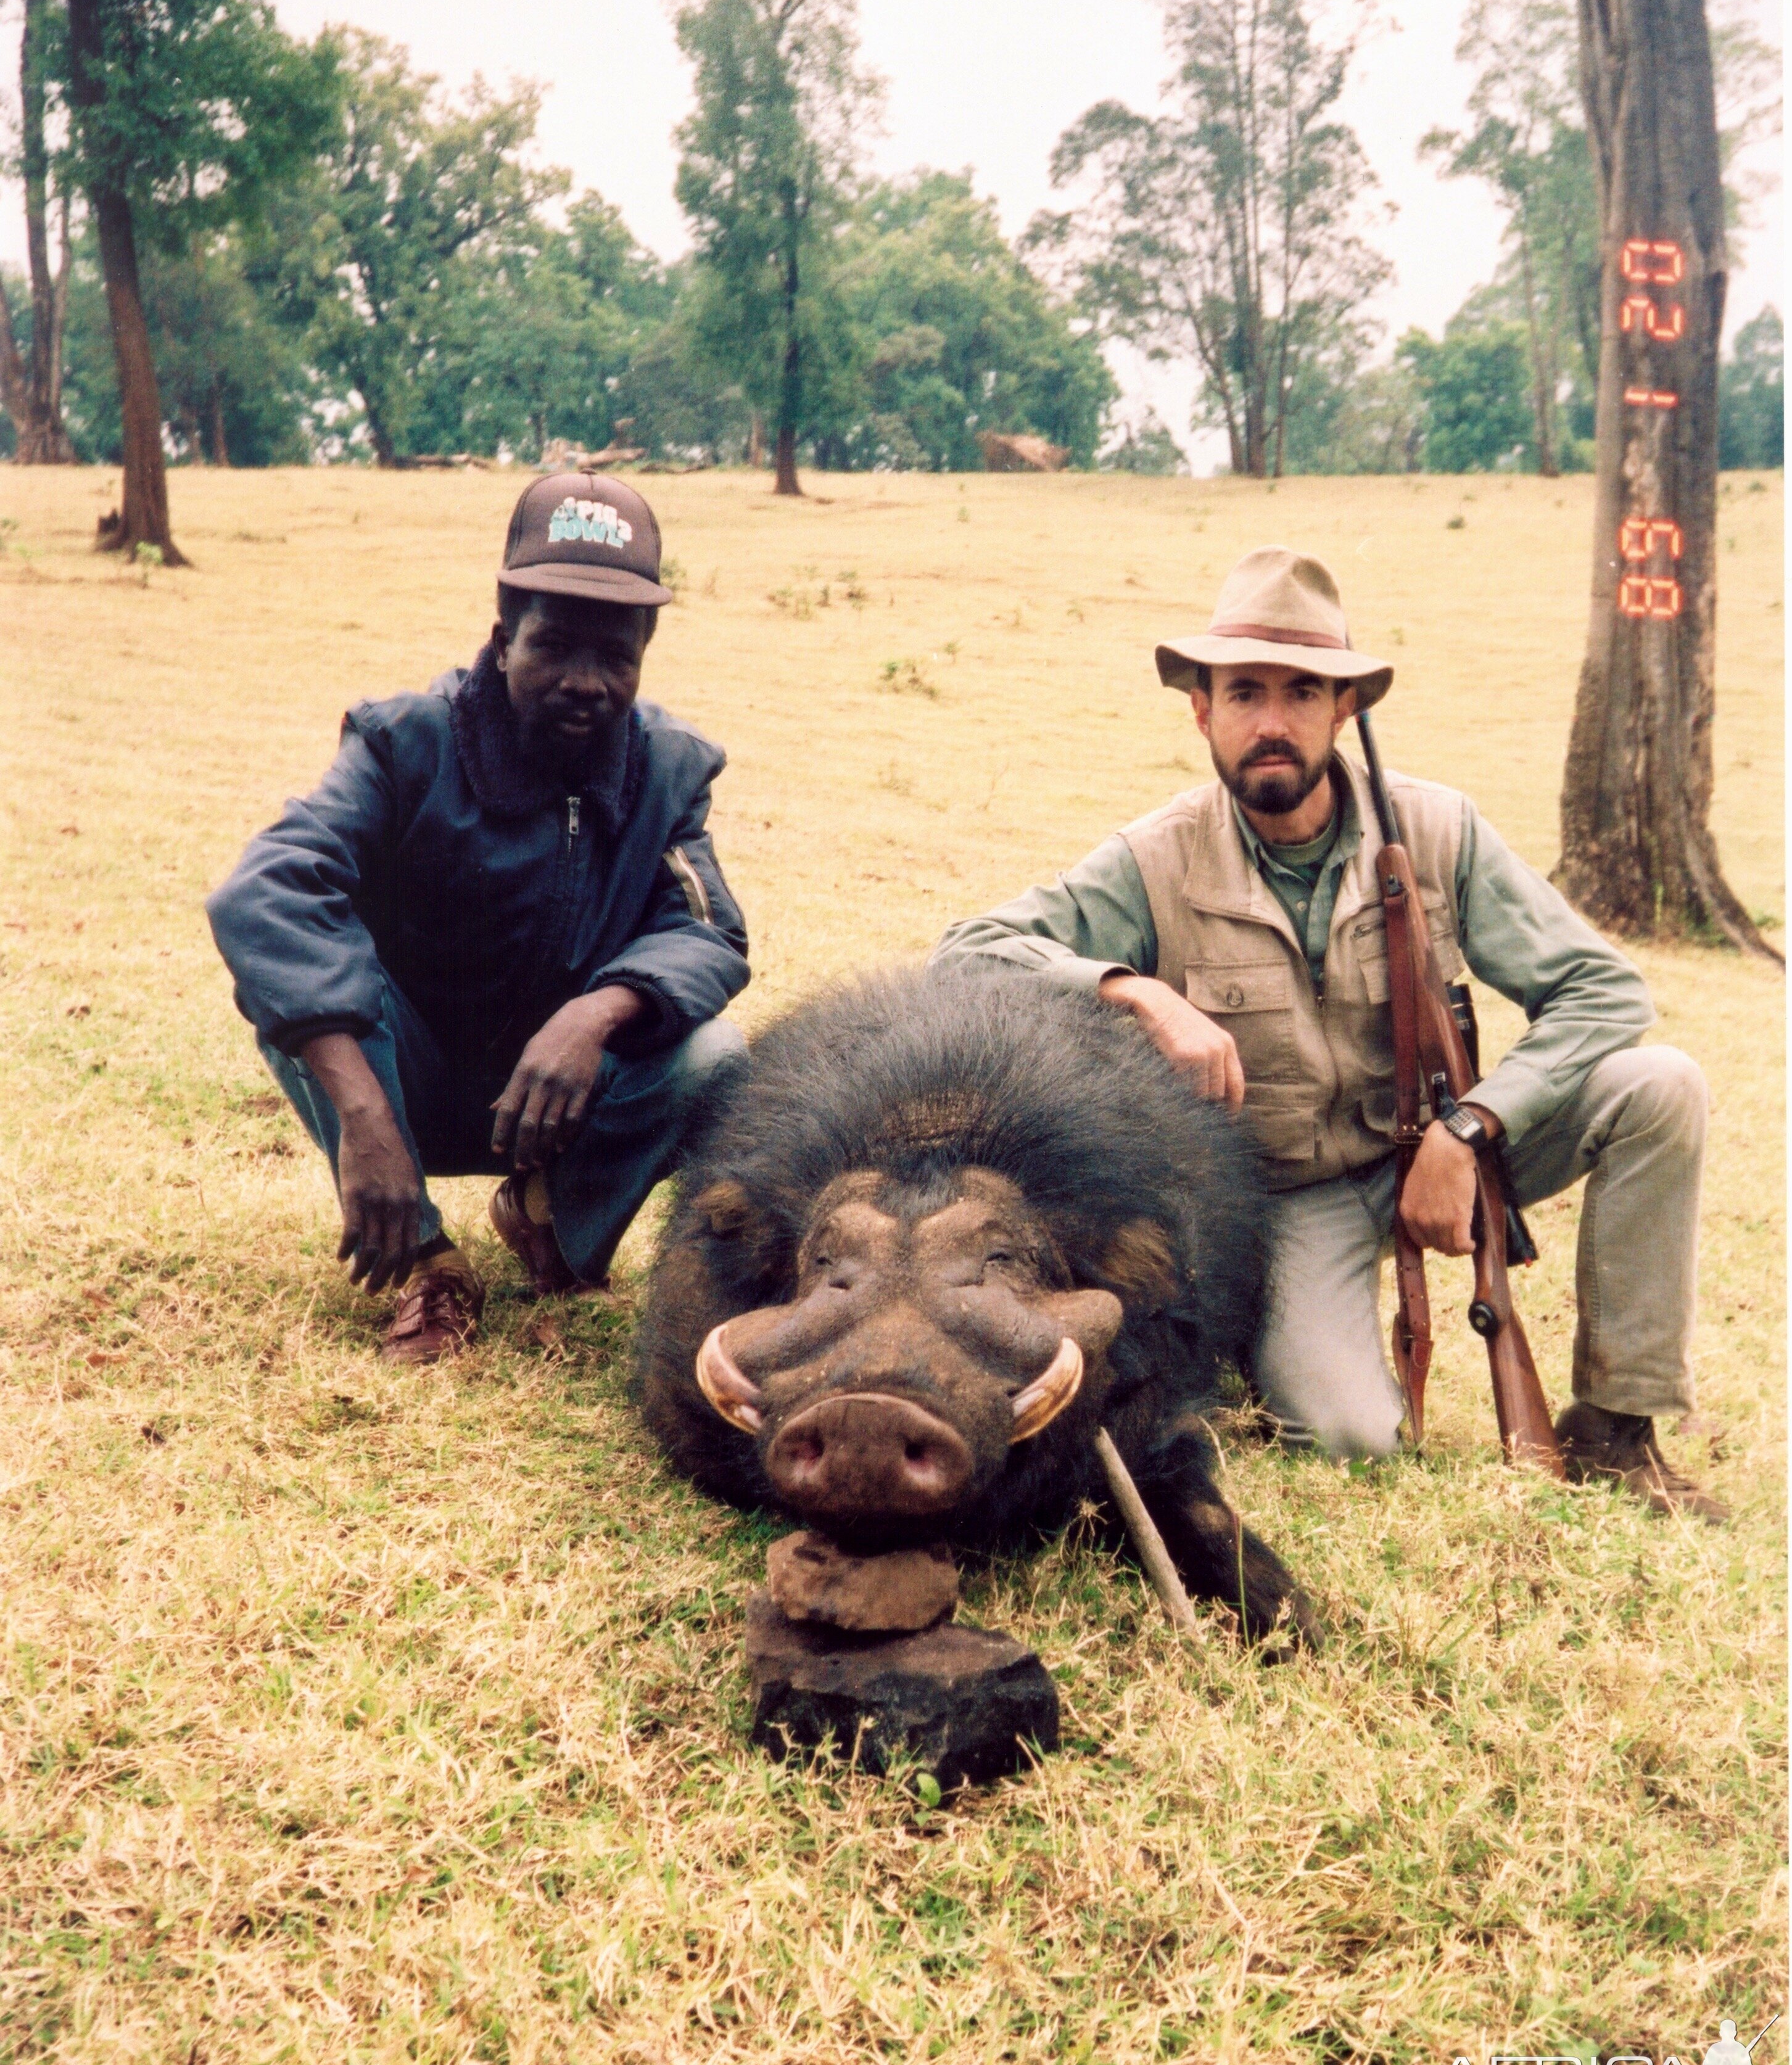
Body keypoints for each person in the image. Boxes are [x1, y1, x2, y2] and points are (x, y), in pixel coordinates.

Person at [931, 544, 1724, 1519]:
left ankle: (1616, 1426)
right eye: (1244, 693)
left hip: (1449, 1144)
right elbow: (966, 953)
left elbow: (1602, 990)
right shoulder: (1154, 857)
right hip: (1292, 1196)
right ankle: (1266, 1344)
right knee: (1351, 1440)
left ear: (1341, 709)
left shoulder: (1437, 830)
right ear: (1200, 710)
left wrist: (1468, 1124)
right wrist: (1134, 990)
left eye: (1301, 692)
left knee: (1660, 1084)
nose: (1272, 722)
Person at [207, 474, 749, 1363]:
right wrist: (364, 1116)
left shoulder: (668, 771)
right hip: (403, 1083)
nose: (586, 683)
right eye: (554, 646)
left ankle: (550, 1222)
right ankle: (432, 1263)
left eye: (615, 655)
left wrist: (596, 1012)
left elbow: (708, 931)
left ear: (647, 649)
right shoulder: (403, 743)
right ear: (504, 632)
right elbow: (266, 888)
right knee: (300, 999)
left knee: (714, 1054)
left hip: (554, 1102)